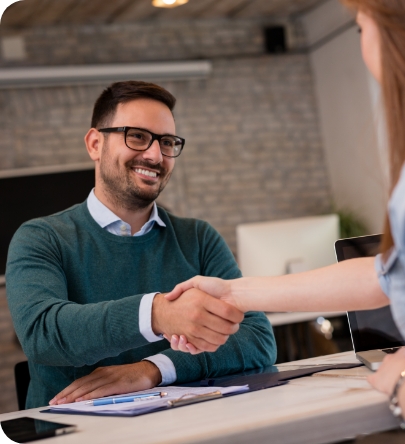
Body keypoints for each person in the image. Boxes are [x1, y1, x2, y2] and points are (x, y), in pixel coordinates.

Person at [165, 1, 405, 442]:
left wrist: (403, 377)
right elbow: (384, 275)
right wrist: (235, 292)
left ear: (397, 36)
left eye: (359, 30)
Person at [6, 81, 276, 409]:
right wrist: (157, 313)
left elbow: (257, 338)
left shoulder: (198, 238)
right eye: (136, 136)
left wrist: (154, 370)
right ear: (95, 144)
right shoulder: (40, 238)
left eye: (167, 142)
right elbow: (42, 333)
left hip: (188, 426)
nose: (154, 154)